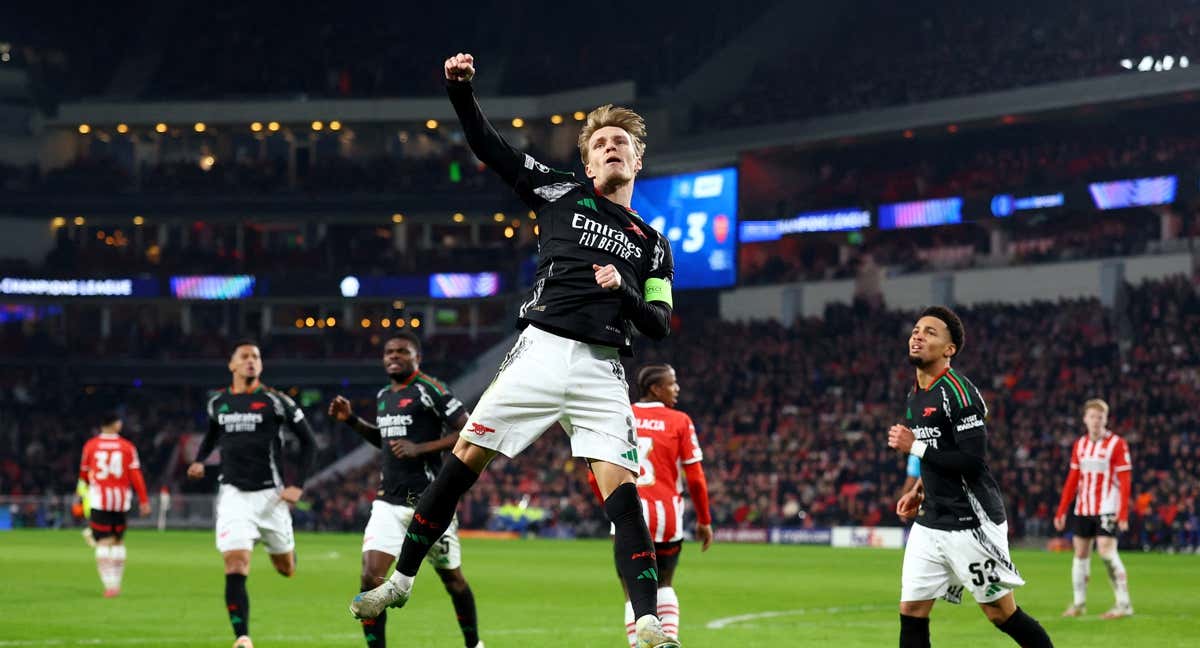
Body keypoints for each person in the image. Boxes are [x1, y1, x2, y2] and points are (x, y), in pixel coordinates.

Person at [352, 52, 680, 648]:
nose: (611, 147)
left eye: (620, 142)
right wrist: (461, 93)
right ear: (585, 160)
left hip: (602, 368)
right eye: (600, 141)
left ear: (637, 159)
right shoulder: (559, 193)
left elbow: (658, 323)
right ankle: (400, 580)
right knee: (458, 470)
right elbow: (490, 148)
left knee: (623, 497)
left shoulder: (653, 245)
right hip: (539, 351)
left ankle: (649, 622)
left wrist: (624, 291)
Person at [888, 306, 1053, 648]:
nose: (918, 335)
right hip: (931, 519)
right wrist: (919, 489)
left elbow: (973, 462)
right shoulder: (914, 396)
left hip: (971, 521)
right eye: (916, 329)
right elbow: (939, 451)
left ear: (949, 350)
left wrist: (915, 448)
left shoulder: (959, 392)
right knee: (912, 610)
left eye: (930, 332)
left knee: (1001, 614)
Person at [329, 332, 485, 648]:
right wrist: (352, 422)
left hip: (427, 501)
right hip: (388, 501)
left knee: (452, 580)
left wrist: (421, 448)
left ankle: (474, 644)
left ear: (417, 357)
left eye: (403, 351)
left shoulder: (431, 389)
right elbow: (386, 443)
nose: (394, 356)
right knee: (370, 580)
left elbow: (470, 431)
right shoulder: (385, 395)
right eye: (389, 351)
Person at [187, 340, 316, 648]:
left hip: (271, 496)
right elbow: (212, 435)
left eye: (256, 357)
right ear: (232, 365)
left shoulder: (277, 401)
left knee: (286, 569)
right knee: (235, 562)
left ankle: (284, 548)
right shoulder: (218, 402)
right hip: (233, 495)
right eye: (244, 357)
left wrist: (299, 485)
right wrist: (199, 460)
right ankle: (242, 637)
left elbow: (309, 443)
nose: (251, 361)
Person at [589, 364, 713, 647]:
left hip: (628, 509)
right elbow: (695, 477)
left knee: (632, 590)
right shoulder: (680, 421)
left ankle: (640, 645)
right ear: (656, 388)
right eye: (672, 383)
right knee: (664, 583)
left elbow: (592, 471)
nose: (677, 388)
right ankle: (668, 640)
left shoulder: (621, 415)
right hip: (666, 514)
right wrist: (704, 519)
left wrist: (611, 509)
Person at [1054, 398, 1134, 619]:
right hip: (1083, 507)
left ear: (1106, 420)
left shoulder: (1117, 444)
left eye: (1100, 417)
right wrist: (1062, 510)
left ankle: (1124, 604)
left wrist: (1123, 512)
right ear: (1085, 419)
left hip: (1108, 506)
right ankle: (1079, 604)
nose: (1096, 421)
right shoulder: (1080, 445)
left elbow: (1125, 479)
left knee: (1107, 552)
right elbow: (1072, 479)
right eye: (1092, 417)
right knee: (1080, 554)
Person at [75, 411, 151, 597]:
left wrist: (81, 495)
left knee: (102, 542)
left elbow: (84, 475)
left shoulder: (91, 446)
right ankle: (115, 584)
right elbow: (135, 475)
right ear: (116, 424)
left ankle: (109, 585)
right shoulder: (127, 447)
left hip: (99, 500)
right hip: (120, 501)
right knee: (118, 541)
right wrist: (143, 500)